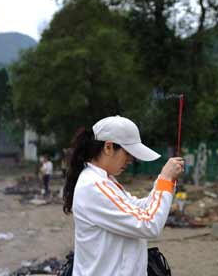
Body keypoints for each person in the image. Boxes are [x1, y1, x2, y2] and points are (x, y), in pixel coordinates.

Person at [63, 116, 184, 276]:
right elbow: (149, 224)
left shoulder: (104, 181)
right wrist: (165, 180)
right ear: (108, 147)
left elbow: (139, 208)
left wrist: (167, 181)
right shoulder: (94, 186)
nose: (130, 160)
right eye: (127, 153)